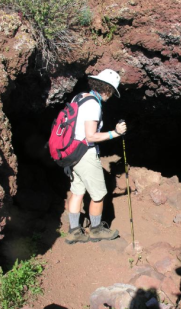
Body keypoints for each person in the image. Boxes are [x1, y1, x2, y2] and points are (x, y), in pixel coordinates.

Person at [65, 69, 127, 245]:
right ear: (107, 89)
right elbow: (90, 136)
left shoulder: (80, 97)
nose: (111, 96)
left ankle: (74, 231)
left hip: (71, 152)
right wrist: (115, 133)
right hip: (85, 153)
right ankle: (96, 229)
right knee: (98, 194)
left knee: (77, 192)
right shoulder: (93, 104)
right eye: (112, 92)